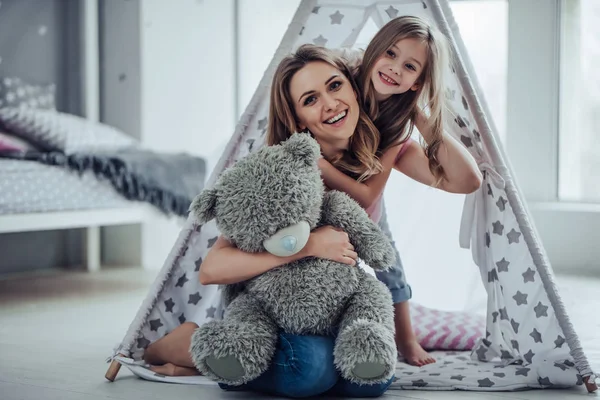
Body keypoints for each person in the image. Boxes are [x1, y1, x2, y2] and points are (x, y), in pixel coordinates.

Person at [144, 44, 395, 398]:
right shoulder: (277, 173)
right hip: (270, 316)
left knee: (371, 380)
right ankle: (191, 348)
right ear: (297, 120)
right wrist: (306, 247)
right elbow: (212, 268)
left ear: (353, 88)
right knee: (310, 368)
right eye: (310, 100)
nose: (330, 104)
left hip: (334, 309)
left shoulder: (366, 166)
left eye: (335, 86)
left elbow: (388, 252)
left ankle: (216, 360)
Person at [319, 16, 483, 366]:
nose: (394, 68)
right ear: (375, 49)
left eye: (409, 67)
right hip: (317, 205)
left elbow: (468, 180)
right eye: (390, 54)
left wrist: (418, 112)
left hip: (364, 208)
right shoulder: (340, 81)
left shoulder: (394, 130)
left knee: (389, 265)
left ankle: (405, 341)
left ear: (417, 82)